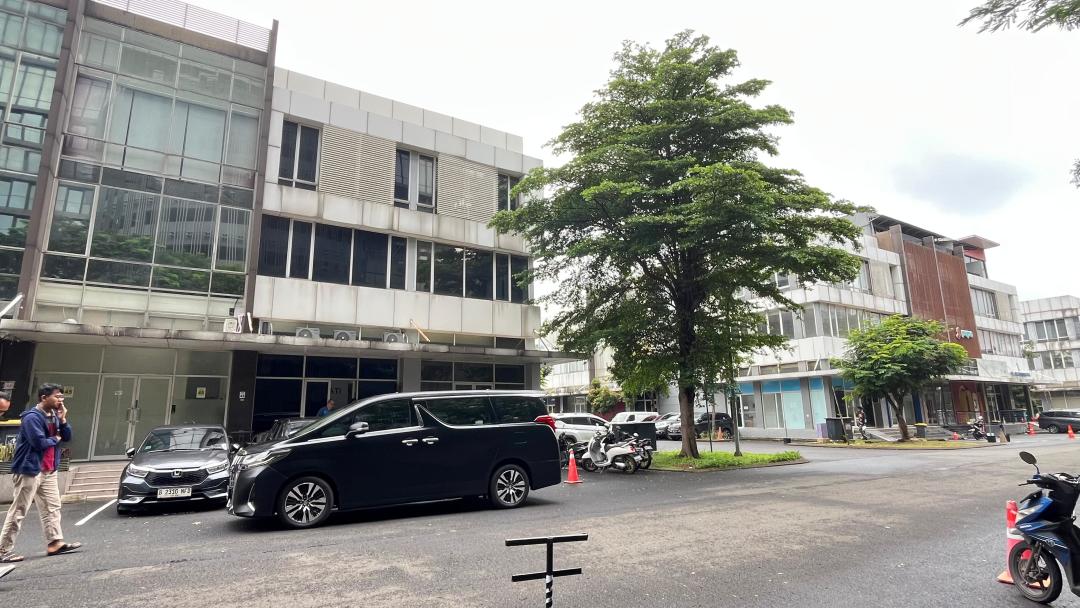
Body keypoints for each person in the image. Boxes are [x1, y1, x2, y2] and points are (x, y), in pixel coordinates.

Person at [0, 383, 82, 562]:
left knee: (52, 507)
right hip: (30, 469)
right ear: (44, 398)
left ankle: (55, 543)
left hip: (49, 469)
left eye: (62, 396)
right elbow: (39, 443)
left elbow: (67, 437)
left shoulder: (55, 415)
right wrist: (56, 438)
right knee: (19, 510)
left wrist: (63, 420)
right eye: (57, 396)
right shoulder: (31, 417)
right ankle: (3, 550)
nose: (60, 400)